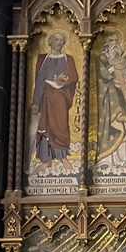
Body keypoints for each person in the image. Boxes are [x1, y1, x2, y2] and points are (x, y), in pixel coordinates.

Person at [31, 31, 79, 164]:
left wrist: (63, 82)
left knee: (61, 125)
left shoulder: (68, 59)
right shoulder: (42, 58)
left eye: (61, 40)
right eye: (56, 39)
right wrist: (35, 103)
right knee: (45, 125)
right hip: (45, 97)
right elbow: (39, 81)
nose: (59, 42)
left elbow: (74, 77)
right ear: (50, 41)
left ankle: (63, 157)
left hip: (60, 97)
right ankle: (46, 160)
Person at [97, 30, 126, 165]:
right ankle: (108, 159)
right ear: (106, 44)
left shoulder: (124, 58)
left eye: (116, 41)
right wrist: (113, 68)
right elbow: (102, 75)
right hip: (110, 100)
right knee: (113, 125)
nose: (114, 44)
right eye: (111, 41)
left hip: (124, 97)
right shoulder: (103, 59)